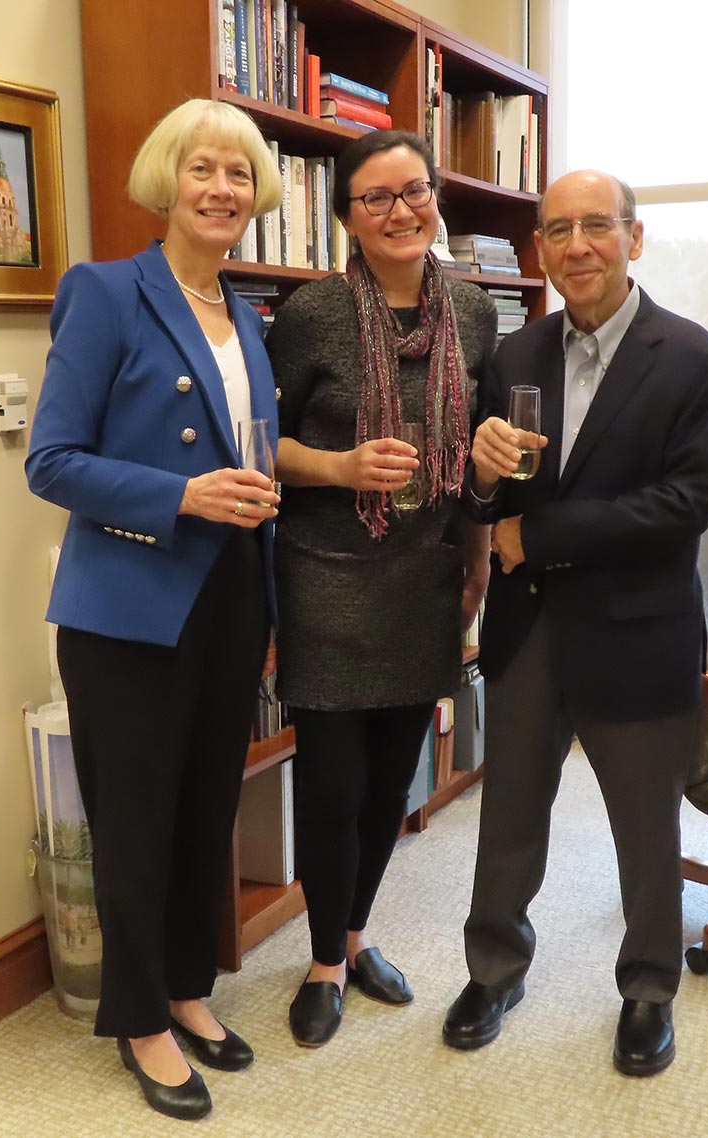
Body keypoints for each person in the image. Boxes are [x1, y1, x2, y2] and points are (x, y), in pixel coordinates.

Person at [442, 170, 708, 1077]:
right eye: (557, 230)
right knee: (511, 812)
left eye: (596, 227)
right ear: (539, 250)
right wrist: (484, 479)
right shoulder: (516, 356)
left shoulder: (692, 358)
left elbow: (681, 507)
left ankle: (648, 989)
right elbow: (481, 491)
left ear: (633, 239)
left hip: (636, 631)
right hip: (529, 630)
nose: (576, 246)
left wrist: (535, 534)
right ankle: (495, 969)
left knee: (646, 828)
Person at [26, 99, 283, 1121]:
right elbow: (53, 460)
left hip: (229, 591)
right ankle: (138, 1018)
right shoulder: (104, 291)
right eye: (203, 169)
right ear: (167, 179)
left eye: (239, 175)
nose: (222, 190)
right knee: (133, 818)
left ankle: (186, 987)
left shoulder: (245, 311)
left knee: (203, 806)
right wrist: (180, 494)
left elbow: (249, 448)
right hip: (129, 597)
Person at [265, 130, 496, 1048]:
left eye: (416, 191)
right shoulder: (310, 314)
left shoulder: (475, 313)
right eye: (377, 198)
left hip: (427, 579)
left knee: (391, 783)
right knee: (330, 785)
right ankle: (324, 959)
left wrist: (478, 561)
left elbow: (482, 446)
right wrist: (340, 464)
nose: (403, 211)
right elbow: (262, 444)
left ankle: (356, 936)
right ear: (347, 218)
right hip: (326, 578)